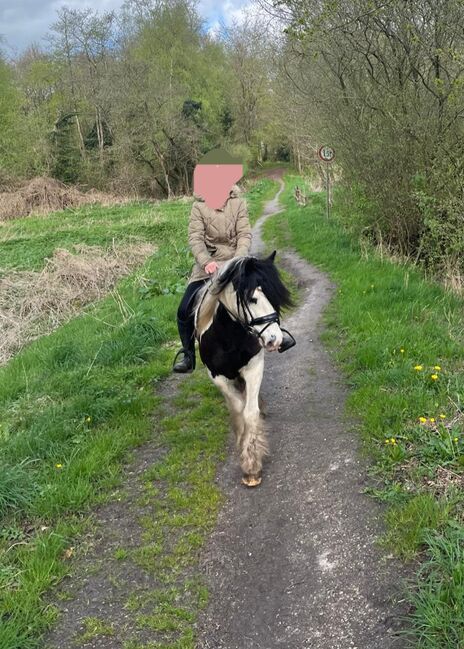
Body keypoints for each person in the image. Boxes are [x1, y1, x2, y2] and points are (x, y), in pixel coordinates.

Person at [172, 148, 293, 373]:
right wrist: (206, 261)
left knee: (266, 290)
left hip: (236, 264)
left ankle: (279, 333)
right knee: (183, 310)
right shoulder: (198, 207)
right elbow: (195, 238)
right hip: (207, 268)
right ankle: (188, 355)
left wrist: (238, 261)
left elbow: (245, 234)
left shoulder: (238, 204)